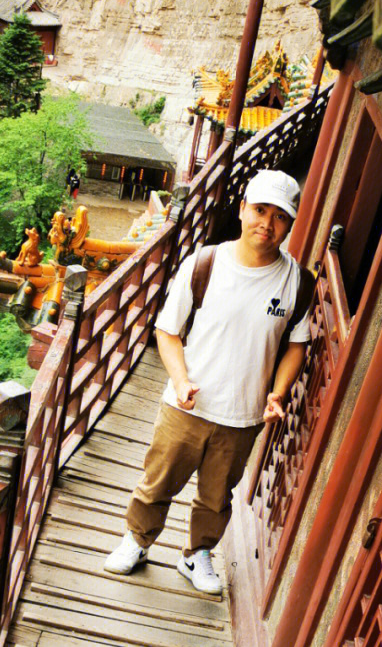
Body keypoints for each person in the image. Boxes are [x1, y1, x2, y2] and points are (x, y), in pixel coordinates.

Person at [104, 168, 311, 594]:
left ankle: (197, 555)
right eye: (259, 210)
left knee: (217, 497)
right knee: (158, 479)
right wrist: (180, 381)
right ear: (242, 210)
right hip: (187, 404)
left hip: (244, 414)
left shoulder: (297, 283)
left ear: (290, 223)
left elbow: (296, 344)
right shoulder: (205, 263)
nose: (267, 224)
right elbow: (167, 331)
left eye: (279, 217)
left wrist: (278, 392)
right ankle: (137, 540)